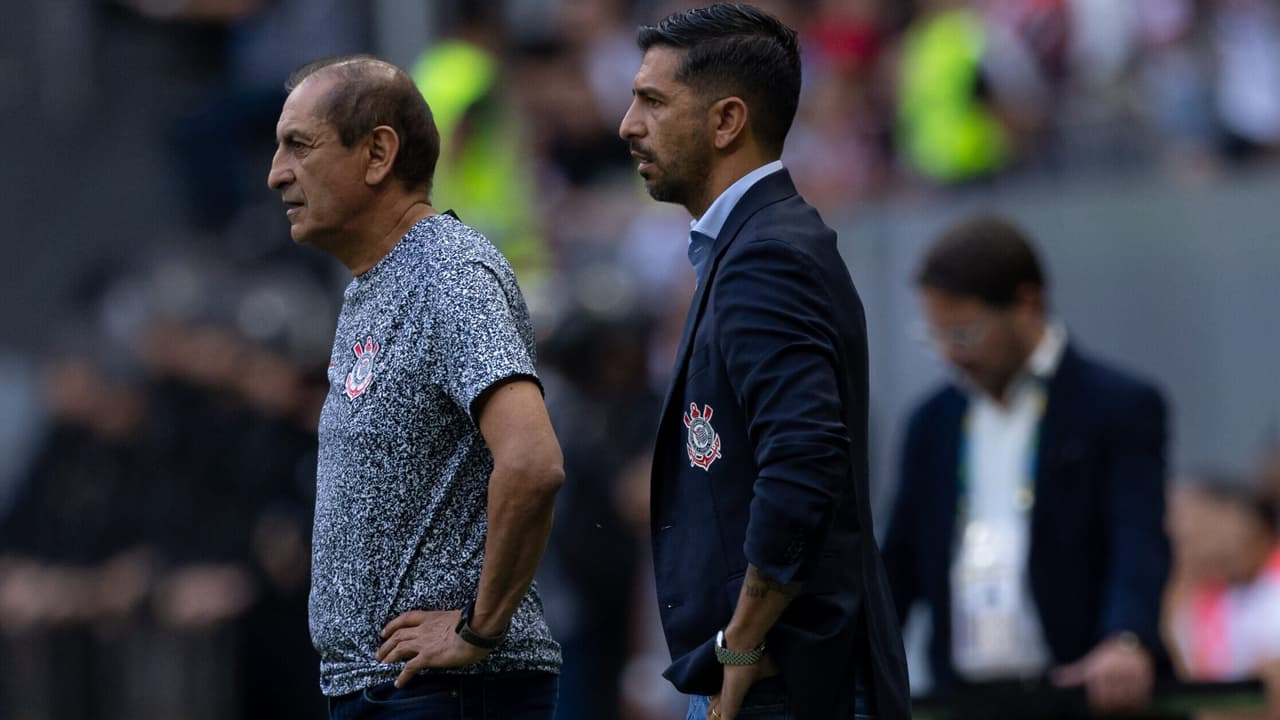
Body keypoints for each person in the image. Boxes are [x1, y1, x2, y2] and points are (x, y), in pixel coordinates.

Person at [618, 5, 911, 719]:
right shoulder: (752, 245)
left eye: (653, 101)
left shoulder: (767, 256)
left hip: (779, 680)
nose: (627, 124)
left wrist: (740, 647)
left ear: (726, 123)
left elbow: (802, 460)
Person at [266, 55, 565, 719]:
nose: (276, 173)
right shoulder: (373, 285)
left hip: (444, 693)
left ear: (377, 154)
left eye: (299, 146)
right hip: (389, 691)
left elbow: (533, 462)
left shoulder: (450, 274)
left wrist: (477, 628)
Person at [882, 214, 1171, 713]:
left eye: (966, 334)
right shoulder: (931, 422)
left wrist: (1125, 639)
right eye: (937, 338)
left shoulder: (1118, 405)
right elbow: (900, 563)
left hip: (1081, 690)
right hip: (966, 698)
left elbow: (1138, 538)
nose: (951, 354)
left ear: (1026, 302)